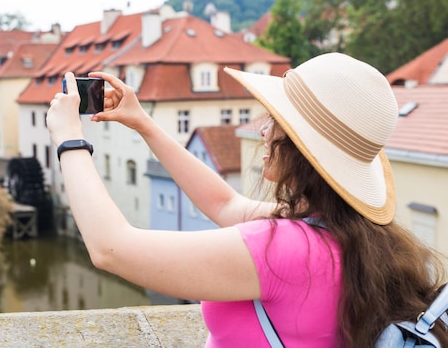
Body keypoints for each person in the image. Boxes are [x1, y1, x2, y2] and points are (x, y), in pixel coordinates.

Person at [46, 52, 447, 347]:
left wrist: (69, 140)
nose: (263, 130)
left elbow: (111, 249)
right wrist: (144, 123)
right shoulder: (351, 232)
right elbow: (225, 205)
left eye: (276, 120)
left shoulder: (283, 249)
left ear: (301, 150)